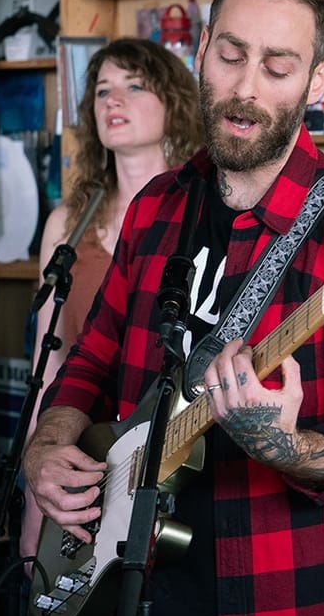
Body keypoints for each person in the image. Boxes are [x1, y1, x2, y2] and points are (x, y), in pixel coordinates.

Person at [22, 0, 324, 616]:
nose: (246, 88)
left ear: (318, 78)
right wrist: (47, 448)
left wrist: (282, 443)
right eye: (232, 54)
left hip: (279, 604)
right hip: (129, 589)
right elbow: (90, 361)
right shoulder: (155, 206)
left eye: (278, 67)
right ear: (202, 49)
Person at [19, 37, 204, 562]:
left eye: (134, 86)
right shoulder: (68, 222)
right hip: (79, 447)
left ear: (175, 104)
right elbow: (48, 361)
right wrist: (37, 485)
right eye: (101, 91)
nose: (112, 101)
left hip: (166, 451)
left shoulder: (199, 213)